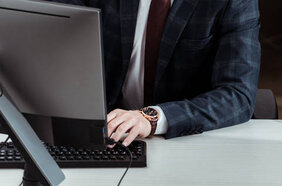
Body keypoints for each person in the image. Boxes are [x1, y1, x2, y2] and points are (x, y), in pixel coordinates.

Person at [49, 0, 261, 147]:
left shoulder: (233, 2)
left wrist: (151, 118)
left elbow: (237, 94)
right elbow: (53, 47)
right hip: (105, 136)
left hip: (186, 142)